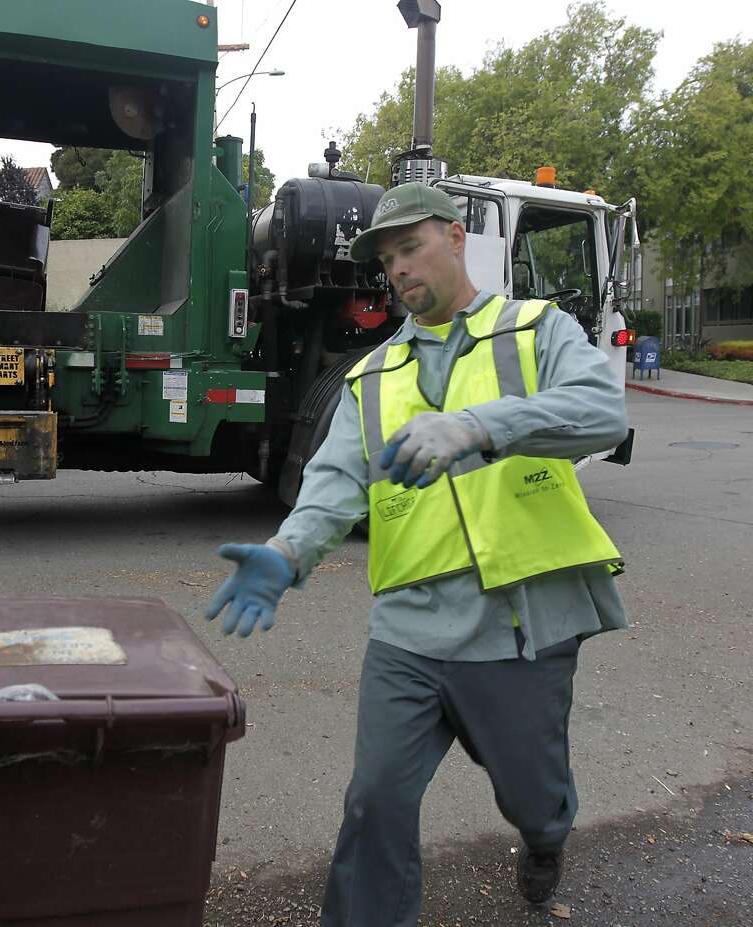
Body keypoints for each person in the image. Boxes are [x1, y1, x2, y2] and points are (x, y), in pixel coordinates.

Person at [205, 182, 629, 926]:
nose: (398, 269)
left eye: (411, 247)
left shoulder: (537, 330)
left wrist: (480, 425)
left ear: (457, 236)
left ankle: (545, 835)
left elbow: (602, 414)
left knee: (531, 794)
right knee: (375, 800)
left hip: (519, 621)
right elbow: (333, 482)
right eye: (387, 257)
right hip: (408, 630)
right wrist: (288, 550)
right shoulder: (371, 376)